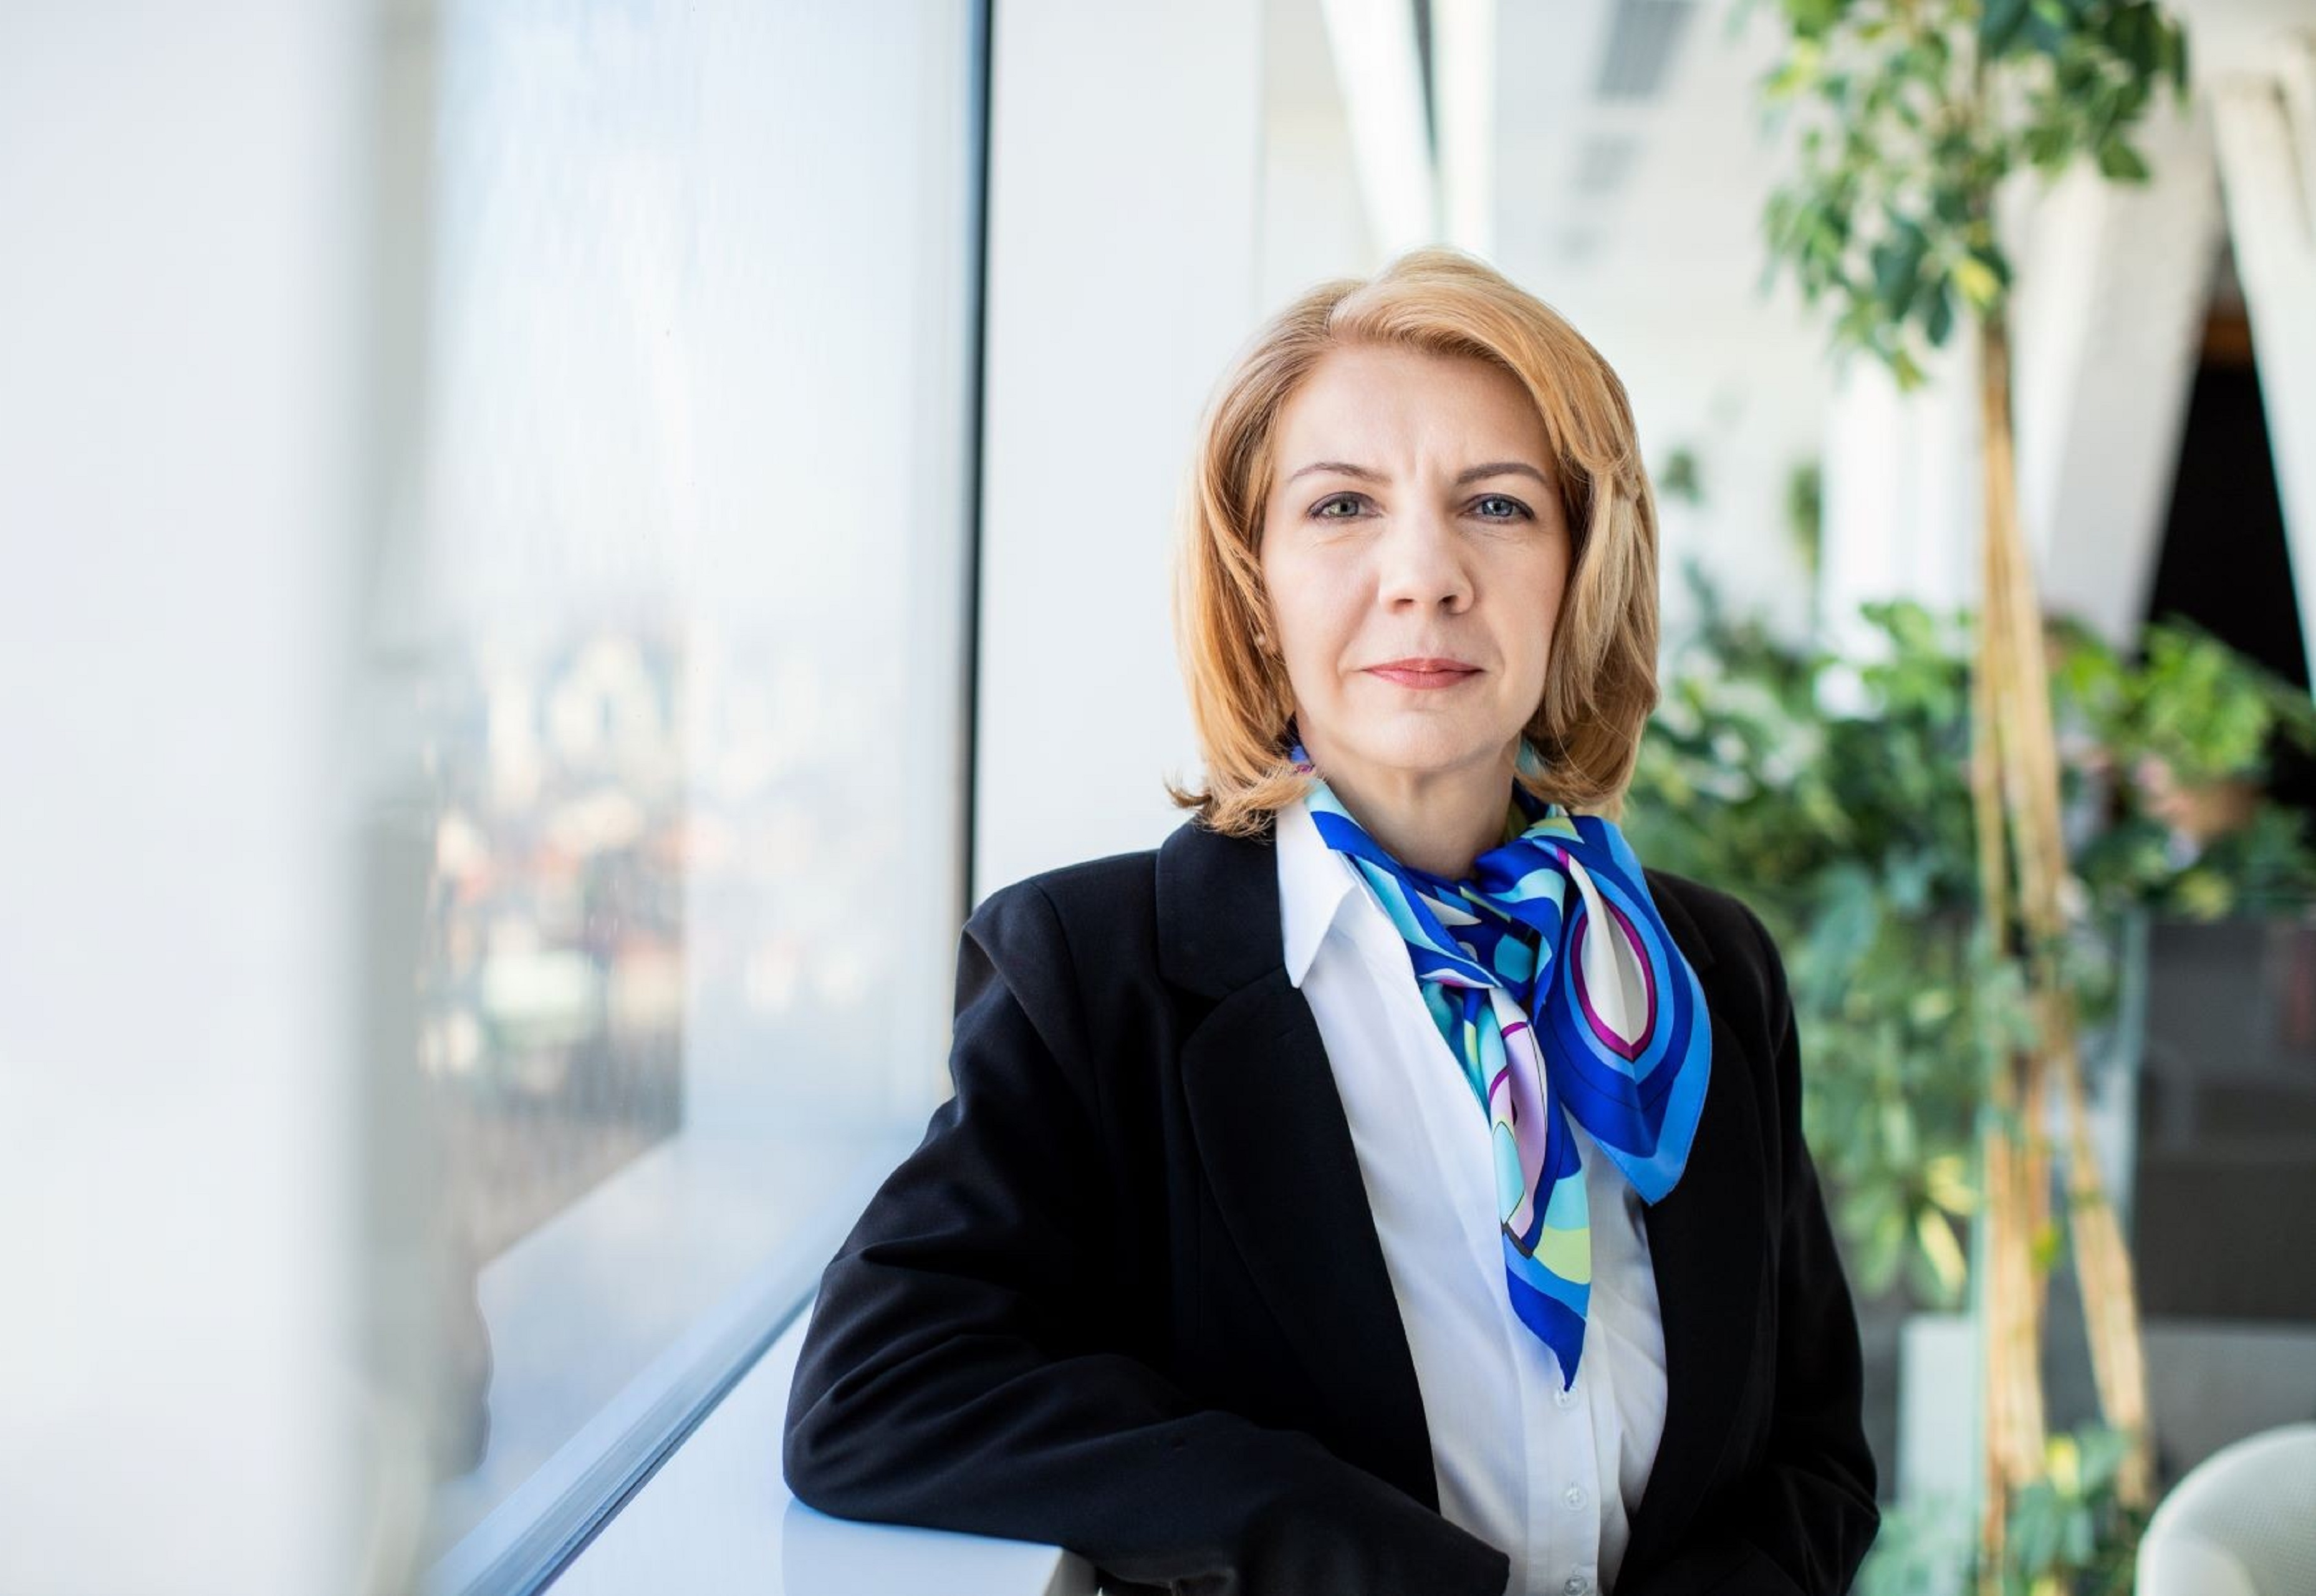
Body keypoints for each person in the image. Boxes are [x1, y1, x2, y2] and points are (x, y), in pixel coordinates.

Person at [781, 246, 1878, 1596]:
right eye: (1344, 505)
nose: (1425, 573)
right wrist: (1336, 1543)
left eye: (1498, 504)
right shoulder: (1097, 973)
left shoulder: (1704, 970)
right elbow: (874, 1390)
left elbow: (1815, 1451)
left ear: (1579, 572)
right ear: (1259, 590)